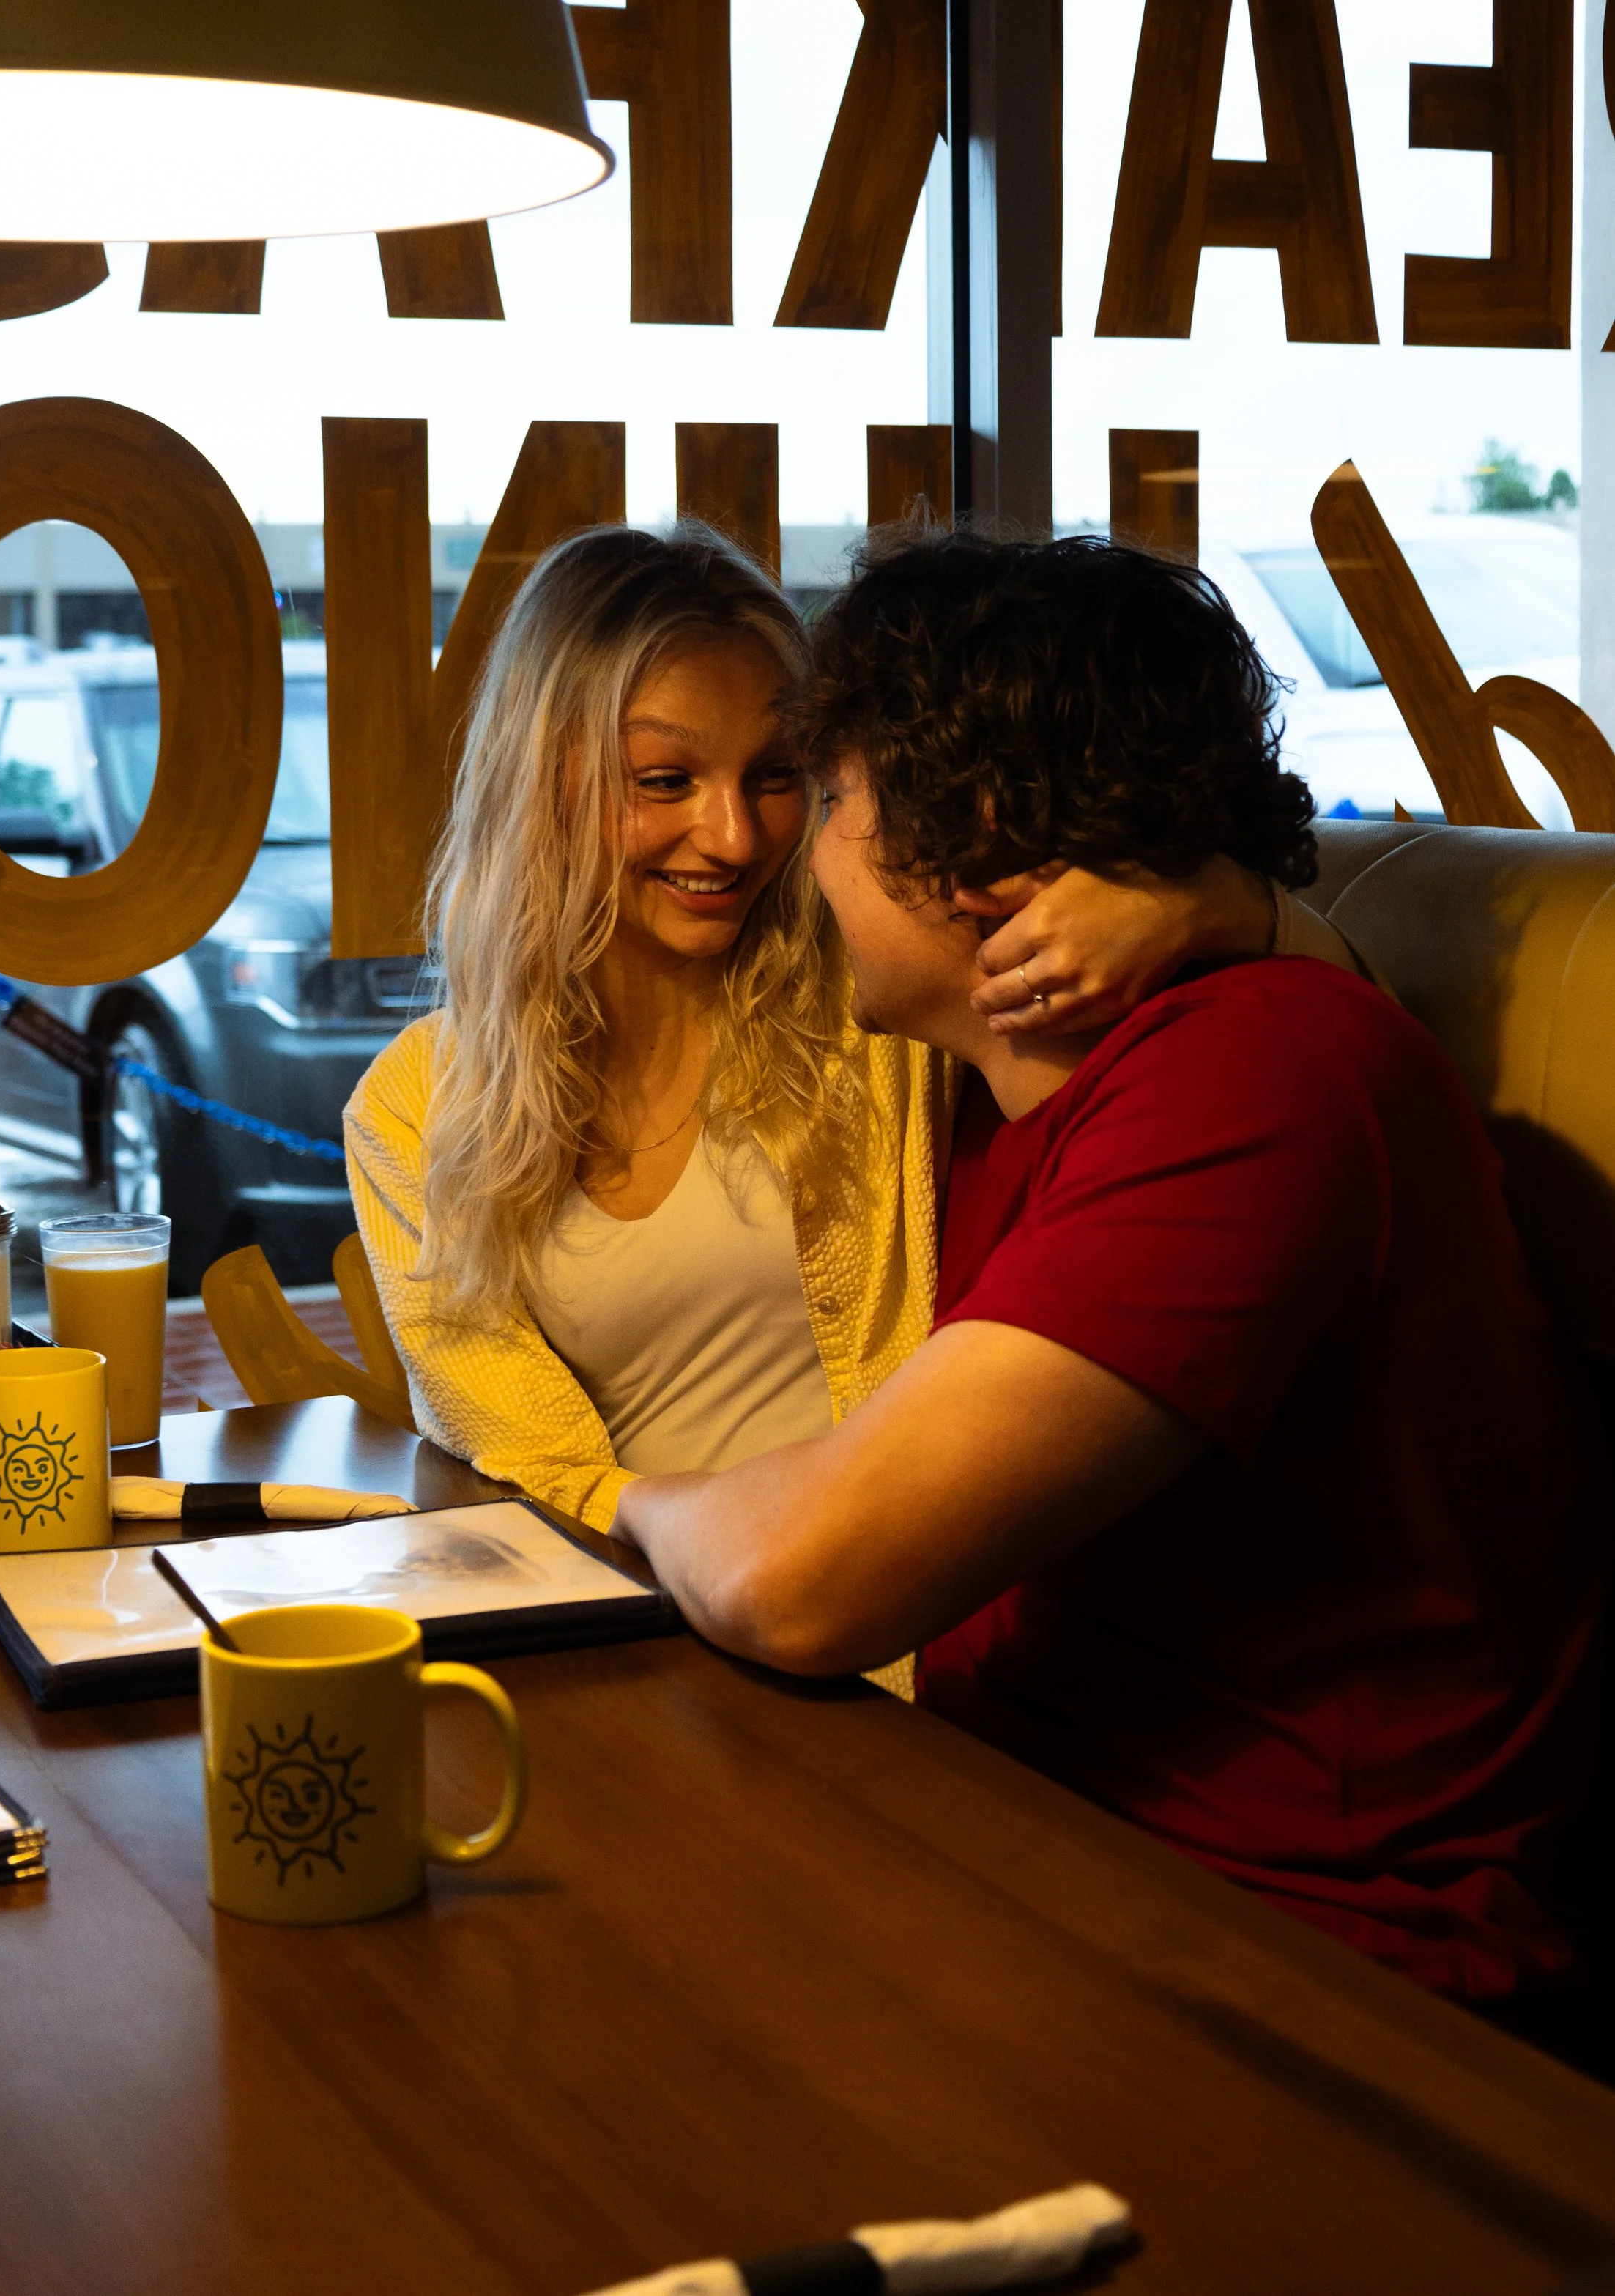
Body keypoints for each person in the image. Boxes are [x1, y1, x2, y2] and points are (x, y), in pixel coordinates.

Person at [615, 530, 1607, 2019]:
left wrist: (614, 1505)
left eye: (832, 797)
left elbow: (793, 1581)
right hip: (1028, 1834)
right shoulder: (974, 1083)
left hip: (1313, 1958)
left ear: (980, 834)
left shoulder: (1256, 1073)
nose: (790, 851)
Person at [346, 522, 1345, 1534]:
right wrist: (750, 1570)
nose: (734, 836)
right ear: (537, 778)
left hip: (895, 1633)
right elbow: (530, 1466)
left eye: (780, 775)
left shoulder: (876, 990)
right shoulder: (414, 1107)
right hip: (646, 1627)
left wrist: (1205, 900)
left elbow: (1325, 1031)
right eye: (665, 780)